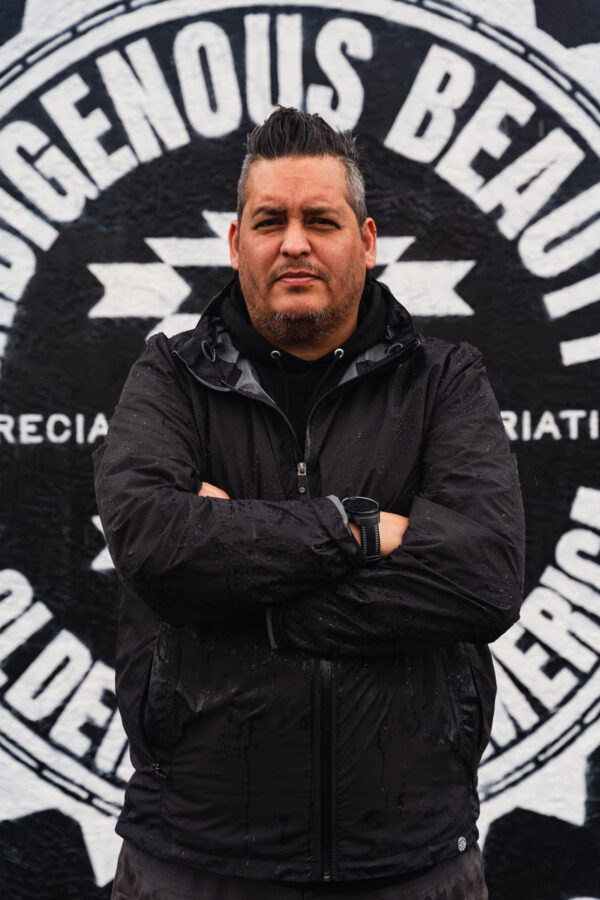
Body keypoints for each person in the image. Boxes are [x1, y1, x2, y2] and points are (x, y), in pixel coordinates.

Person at [94, 107, 525, 899]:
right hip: (192, 862)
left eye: (319, 219)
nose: (293, 242)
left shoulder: (447, 382)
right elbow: (156, 543)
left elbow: (481, 577)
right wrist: (356, 529)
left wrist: (248, 604)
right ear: (236, 243)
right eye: (271, 220)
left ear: (364, 241)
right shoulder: (167, 380)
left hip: (416, 863)